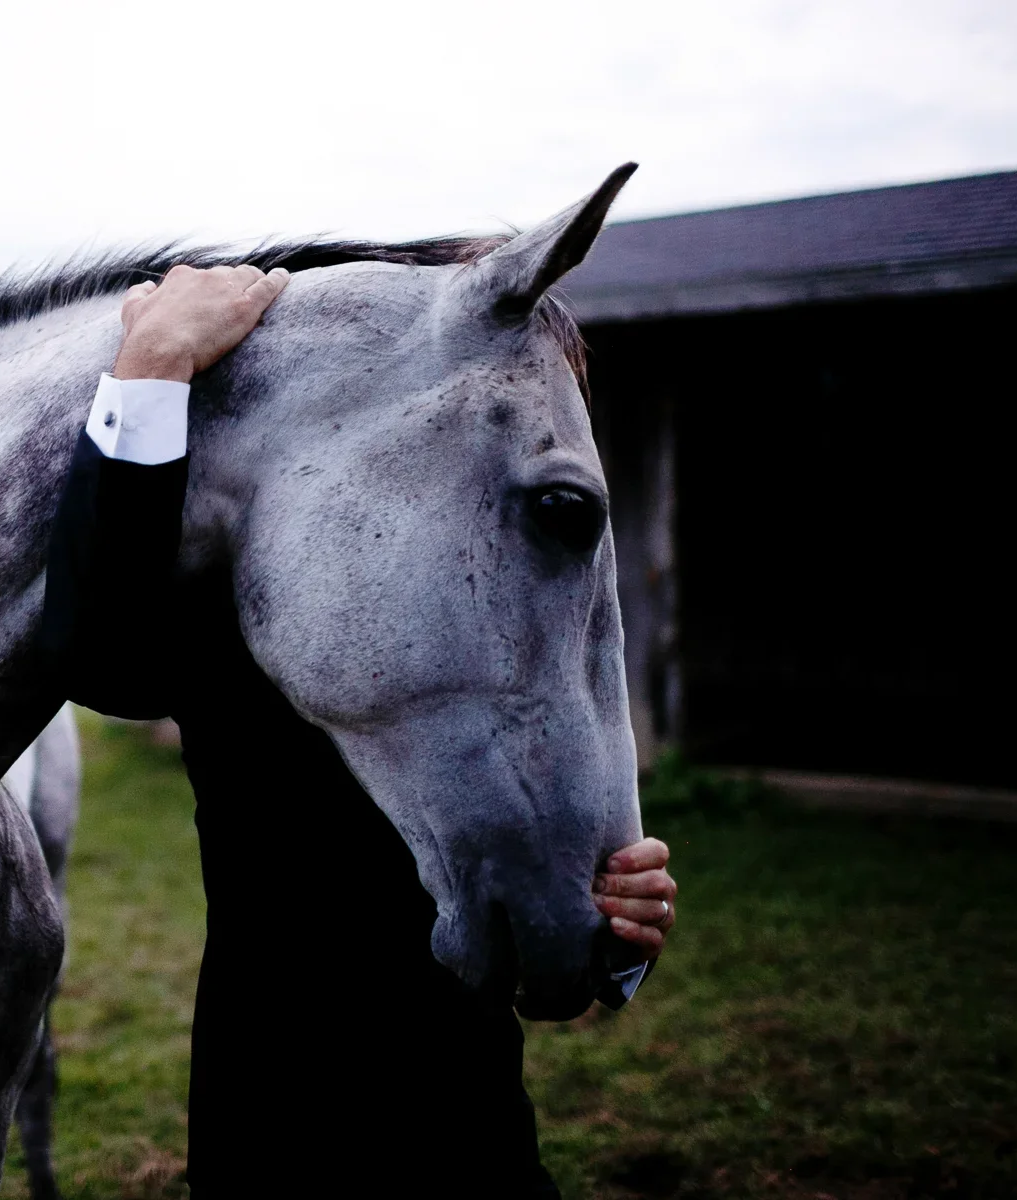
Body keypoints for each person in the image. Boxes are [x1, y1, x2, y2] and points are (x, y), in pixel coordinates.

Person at [40, 263, 677, 1196]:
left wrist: (616, 925)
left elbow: (575, 947)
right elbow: (97, 653)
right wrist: (152, 365)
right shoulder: (266, 632)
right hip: (276, 1133)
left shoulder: (506, 648)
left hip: (475, 1143)